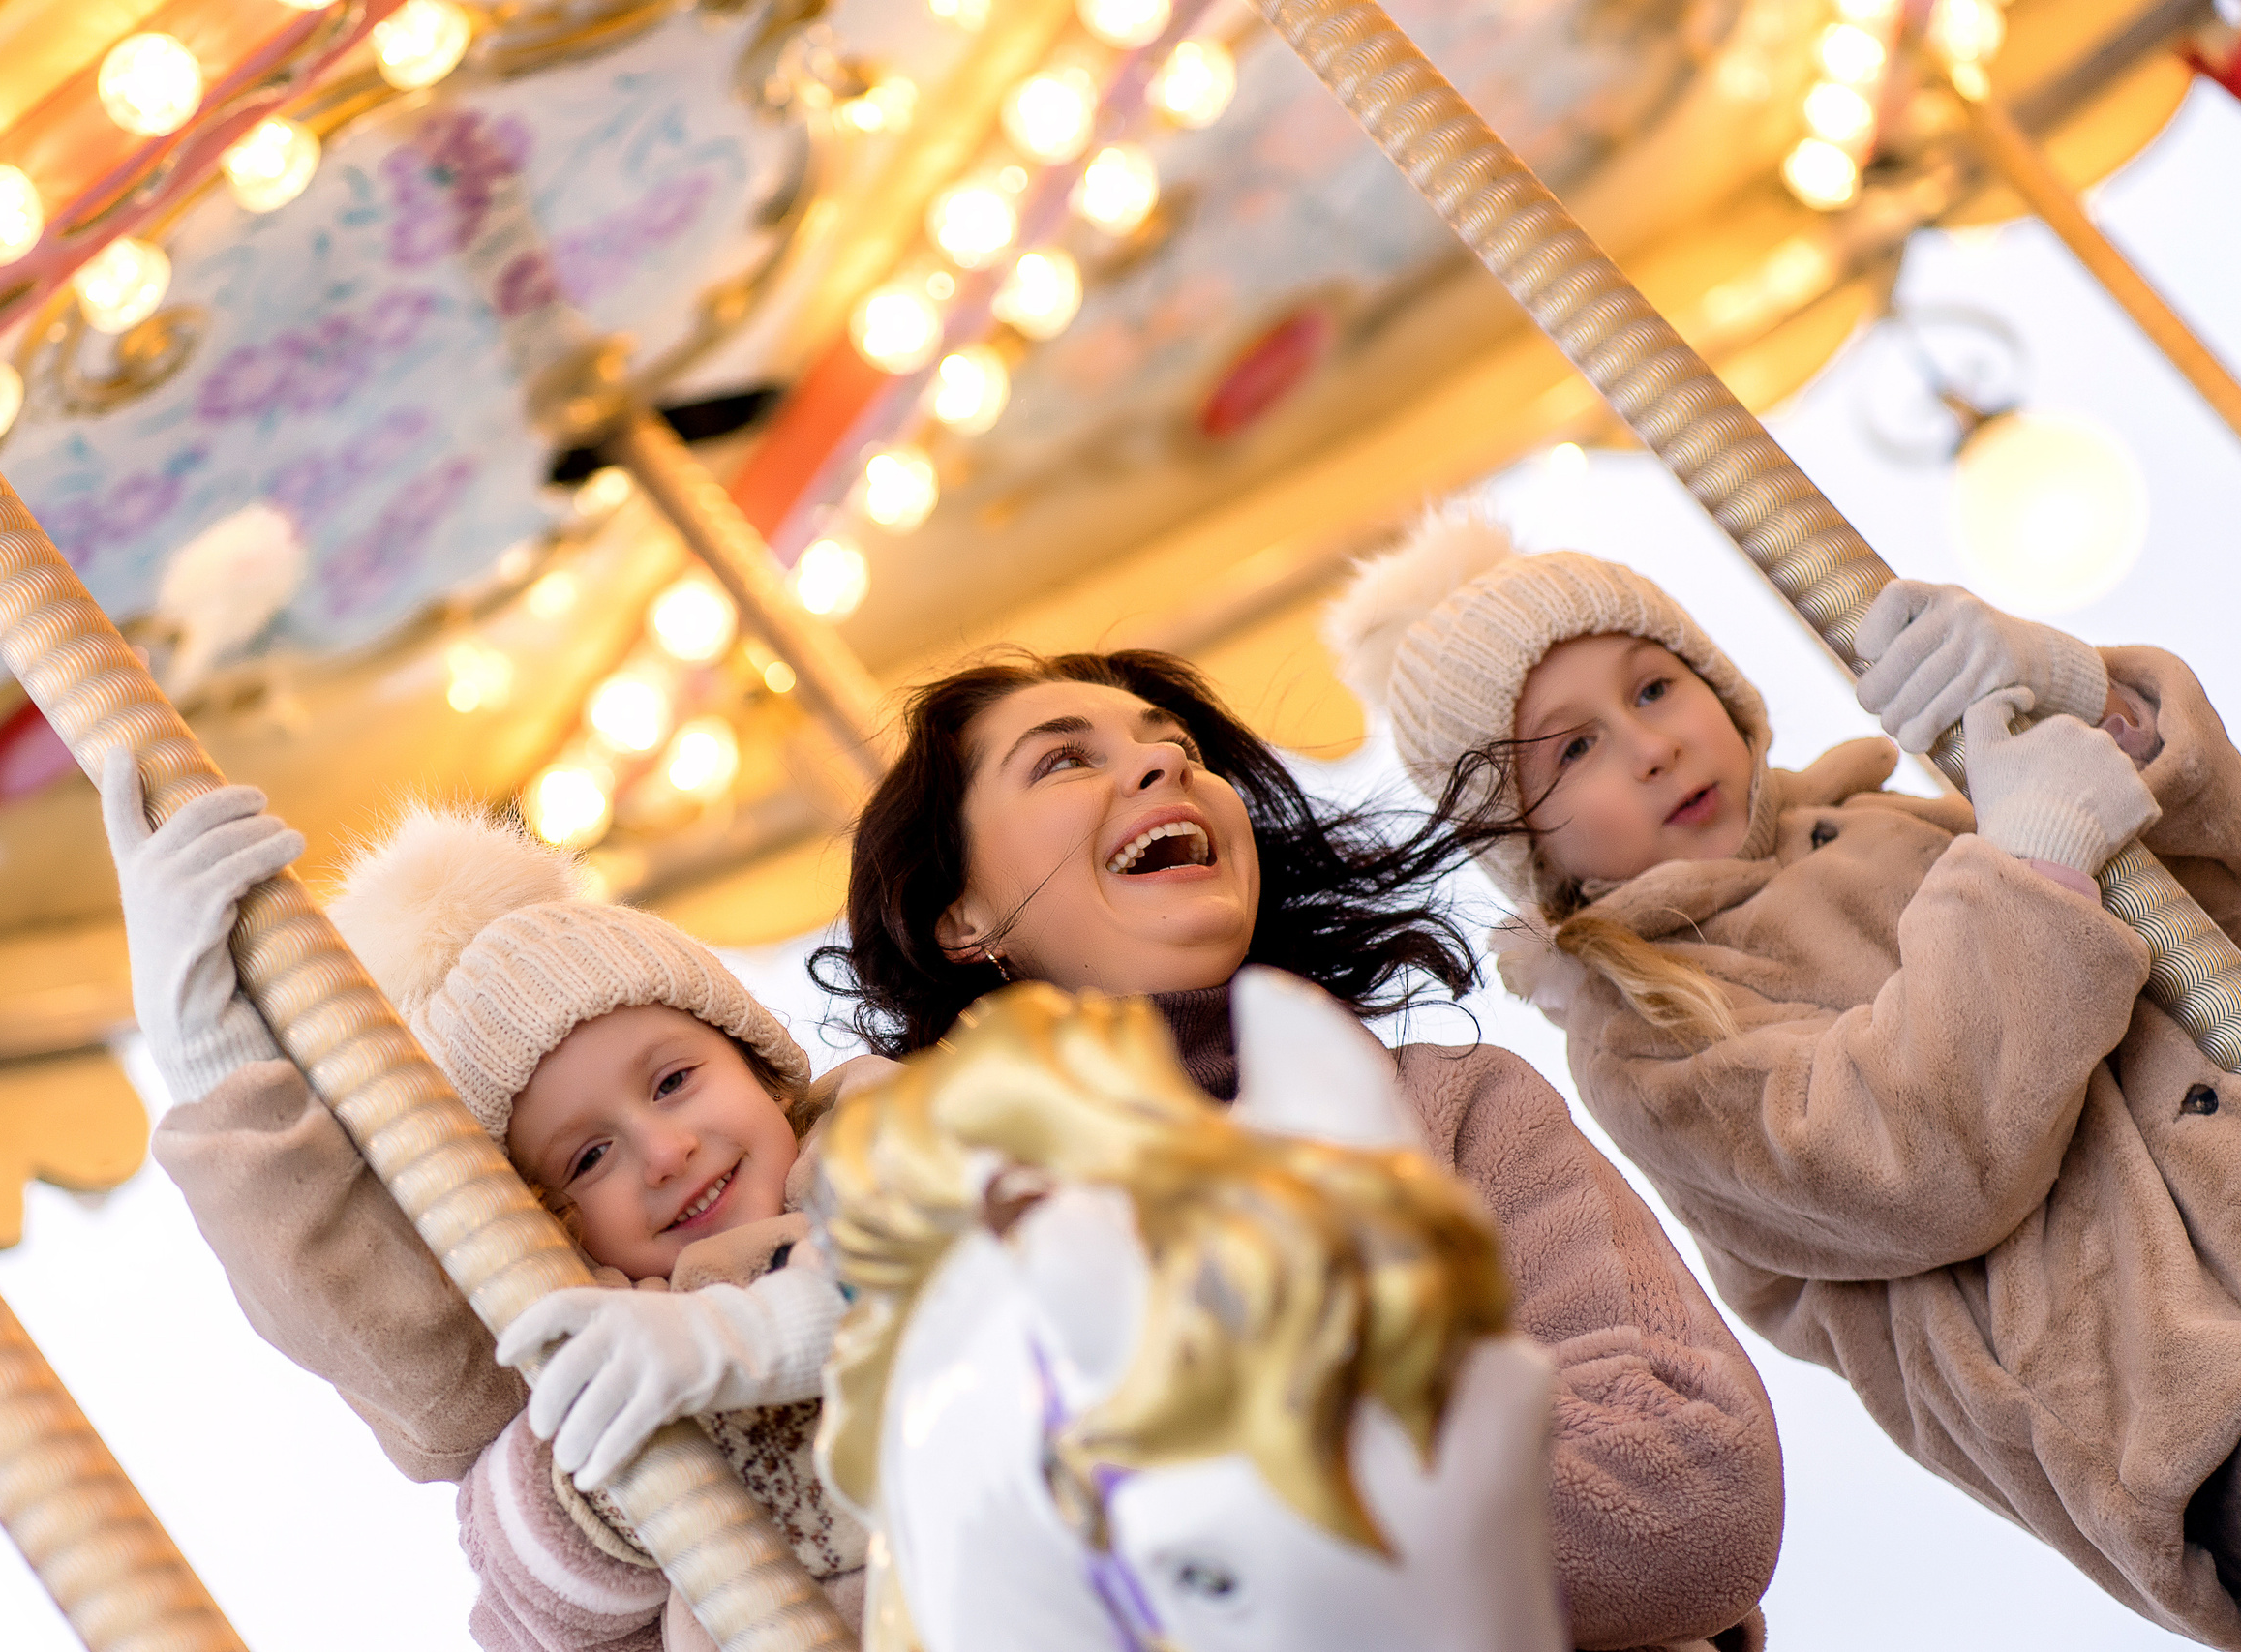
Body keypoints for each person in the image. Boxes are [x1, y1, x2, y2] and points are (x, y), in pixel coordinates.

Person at [1331, 508, 2241, 1646]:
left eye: (1654, 688)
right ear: (1528, 846)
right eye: (1571, 749)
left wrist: (2080, 698)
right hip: (2182, 1403)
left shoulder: (1904, 822)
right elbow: (1910, 1156)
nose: (1648, 745)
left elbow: (2215, 921)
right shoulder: (1649, 1036)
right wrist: (2033, 870)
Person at [807, 646, 1785, 1652]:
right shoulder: (926, 1226)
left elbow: (1691, 1489)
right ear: (960, 918)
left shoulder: (1452, 1109)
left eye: (1178, 748)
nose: (1164, 769)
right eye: (1062, 762)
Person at [100, 752, 866, 1650]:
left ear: (761, 1066)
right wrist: (216, 1065)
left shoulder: (902, 1140)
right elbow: (395, 1333)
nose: (665, 1152)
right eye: (588, 1157)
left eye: (673, 1081)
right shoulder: (600, 1354)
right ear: (550, 1226)